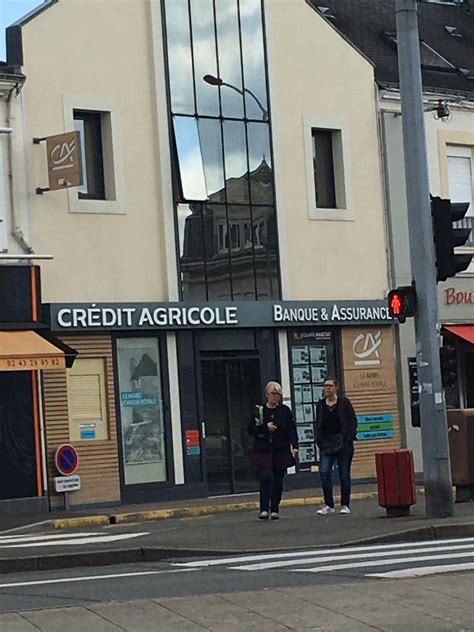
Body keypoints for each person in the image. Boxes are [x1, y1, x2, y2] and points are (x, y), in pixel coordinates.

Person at [248, 381, 299, 520]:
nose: (276, 397)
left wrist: (295, 446)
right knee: (266, 476)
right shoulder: (260, 411)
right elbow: (251, 430)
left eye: (278, 394)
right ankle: (264, 508)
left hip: (281, 449)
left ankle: (275, 508)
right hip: (264, 449)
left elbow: (291, 429)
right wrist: (266, 427)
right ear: (267, 395)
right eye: (274, 394)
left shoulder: (284, 411)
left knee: (278, 480)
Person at [315, 376, 357, 515]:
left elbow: (352, 421)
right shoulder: (321, 405)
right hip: (326, 444)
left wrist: (348, 438)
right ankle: (329, 504)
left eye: (330, 386)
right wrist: (319, 440)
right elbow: (318, 423)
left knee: (344, 474)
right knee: (324, 472)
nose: (327, 388)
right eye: (325, 386)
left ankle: (345, 504)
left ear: (336, 388)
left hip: (343, 444)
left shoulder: (344, 403)